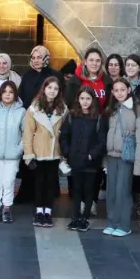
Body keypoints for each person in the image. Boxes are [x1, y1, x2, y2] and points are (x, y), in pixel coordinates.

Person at [16, 45, 62, 204]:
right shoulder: (27, 76)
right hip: (31, 120)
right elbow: (21, 97)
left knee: (48, 168)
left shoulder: (54, 75)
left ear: (46, 59)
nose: (36, 60)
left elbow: (60, 97)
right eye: (33, 57)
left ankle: (48, 198)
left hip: (49, 124)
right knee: (31, 162)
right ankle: (28, 193)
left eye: (39, 57)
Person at [60, 86, 107, 232]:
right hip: (75, 160)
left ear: (92, 100)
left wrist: (92, 154)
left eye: (88, 98)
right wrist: (68, 152)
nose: (85, 102)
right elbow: (64, 136)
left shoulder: (98, 118)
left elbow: (102, 141)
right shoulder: (71, 116)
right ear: (78, 99)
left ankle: (85, 218)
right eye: (82, 98)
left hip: (91, 162)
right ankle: (75, 218)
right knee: (76, 190)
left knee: (88, 191)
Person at [103, 78, 140, 237]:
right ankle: (112, 222)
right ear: (113, 92)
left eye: (122, 89)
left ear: (128, 90)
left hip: (127, 156)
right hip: (111, 155)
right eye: (116, 90)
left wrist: (139, 165)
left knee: (123, 190)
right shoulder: (112, 108)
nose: (119, 93)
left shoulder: (138, 110)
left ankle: (124, 224)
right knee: (111, 191)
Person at [23, 77, 67, 227]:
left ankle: (47, 212)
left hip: (54, 152)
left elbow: (65, 132)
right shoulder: (33, 108)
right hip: (38, 152)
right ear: (44, 89)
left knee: (51, 184)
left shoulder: (63, 109)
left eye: (55, 89)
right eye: (49, 88)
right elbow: (28, 133)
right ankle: (38, 211)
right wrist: (29, 155)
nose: (52, 91)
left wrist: (63, 154)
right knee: (39, 184)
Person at [0, 81, 26, 223]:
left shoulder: (21, 111)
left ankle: (7, 208)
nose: (8, 94)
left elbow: (26, 133)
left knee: (9, 182)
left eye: (11, 92)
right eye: (5, 92)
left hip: (13, 155)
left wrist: (19, 149)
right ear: (0, 94)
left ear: (15, 94)